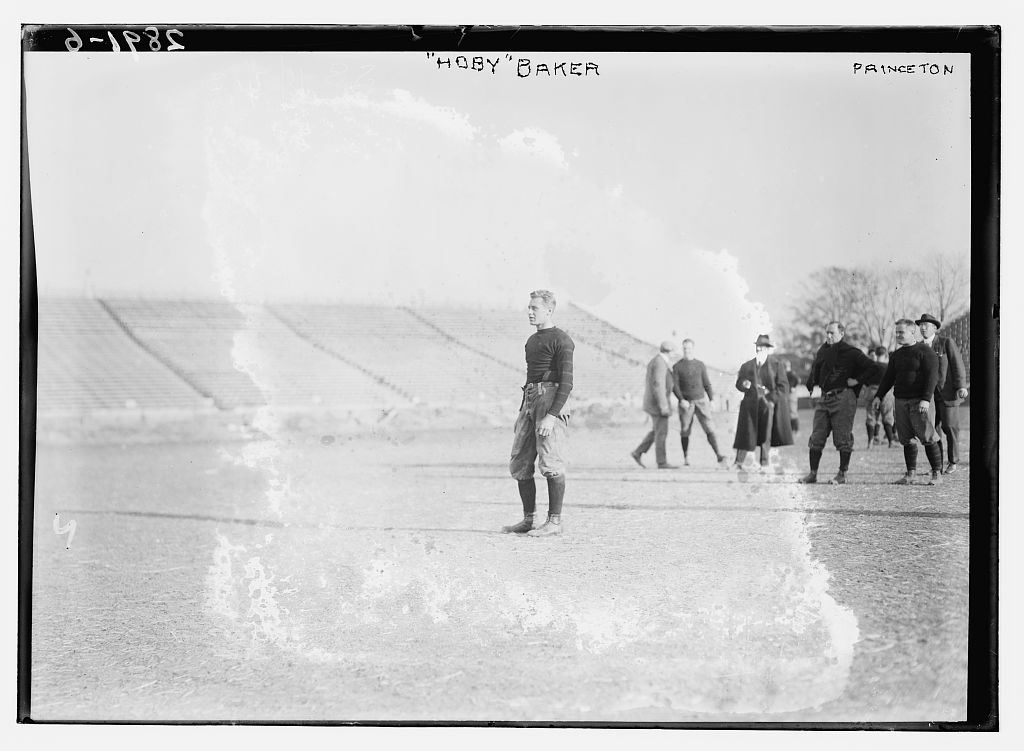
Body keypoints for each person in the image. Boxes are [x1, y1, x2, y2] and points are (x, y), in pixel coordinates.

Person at [503, 290, 575, 537]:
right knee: (520, 461)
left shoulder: (562, 340)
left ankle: (554, 522)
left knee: (551, 461)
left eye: (535, 308)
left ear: (549, 310)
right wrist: (525, 410)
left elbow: (566, 383)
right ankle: (528, 519)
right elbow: (530, 377)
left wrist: (552, 415)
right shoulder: (532, 341)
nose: (530, 311)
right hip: (530, 401)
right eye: (529, 307)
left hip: (551, 400)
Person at [798, 321, 875, 485]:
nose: (828, 336)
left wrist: (857, 380)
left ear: (841, 334)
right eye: (827, 333)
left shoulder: (851, 352)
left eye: (832, 333)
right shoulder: (823, 350)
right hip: (824, 398)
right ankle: (812, 474)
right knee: (816, 437)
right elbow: (816, 368)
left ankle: (842, 474)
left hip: (844, 398)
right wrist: (811, 383)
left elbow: (872, 367)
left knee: (842, 438)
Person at [874, 319, 944, 485]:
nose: (898, 335)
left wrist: (926, 399)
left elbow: (932, 377)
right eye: (896, 332)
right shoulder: (896, 355)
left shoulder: (925, 351)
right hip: (900, 401)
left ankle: (936, 474)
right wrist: (878, 396)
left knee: (928, 437)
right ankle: (910, 474)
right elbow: (888, 378)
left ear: (913, 332)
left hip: (920, 402)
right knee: (906, 439)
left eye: (901, 332)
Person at [916, 313, 969, 473]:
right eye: (921, 325)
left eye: (926, 325)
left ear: (934, 327)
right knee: (932, 430)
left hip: (948, 394)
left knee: (950, 427)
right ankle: (937, 465)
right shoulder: (918, 347)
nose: (923, 328)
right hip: (928, 397)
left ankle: (953, 461)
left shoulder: (946, 343)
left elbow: (957, 364)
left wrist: (961, 386)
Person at [732, 334, 792, 470]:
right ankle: (738, 463)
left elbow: (783, 387)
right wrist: (744, 384)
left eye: (762, 347)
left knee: (766, 434)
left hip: (767, 404)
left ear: (767, 349)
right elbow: (738, 383)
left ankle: (764, 463)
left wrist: (771, 400)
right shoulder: (747, 366)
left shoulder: (776, 365)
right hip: (749, 404)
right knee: (746, 433)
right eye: (758, 347)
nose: (759, 349)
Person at [671, 339, 729, 467]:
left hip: (701, 401)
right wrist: (681, 400)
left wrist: (712, 399)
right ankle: (686, 458)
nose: (687, 350)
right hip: (687, 403)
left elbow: (706, 383)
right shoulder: (677, 366)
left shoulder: (700, 365)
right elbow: (674, 386)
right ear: (683, 349)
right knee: (685, 430)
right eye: (685, 348)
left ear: (693, 349)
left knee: (709, 428)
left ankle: (719, 455)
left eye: (689, 348)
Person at [631, 340, 678, 469]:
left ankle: (638, 452)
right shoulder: (660, 363)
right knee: (661, 432)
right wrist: (663, 406)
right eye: (674, 351)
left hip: (654, 404)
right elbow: (658, 386)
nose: (675, 354)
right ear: (669, 351)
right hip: (657, 405)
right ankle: (661, 462)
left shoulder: (659, 361)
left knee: (657, 431)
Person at [859, 347, 887, 449]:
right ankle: (886, 439)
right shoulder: (885, 366)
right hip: (883, 391)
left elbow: (863, 379)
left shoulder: (869, 367)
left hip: (871, 390)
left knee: (871, 416)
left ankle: (871, 441)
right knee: (882, 415)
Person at [873, 346, 898, 447]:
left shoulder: (871, 365)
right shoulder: (887, 367)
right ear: (885, 355)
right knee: (888, 416)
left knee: (873, 417)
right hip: (887, 393)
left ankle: (872, 439)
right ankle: (891, 440)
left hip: (872, 391)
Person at [783, 359, 800, 433]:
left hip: (791, 395)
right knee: (789, 412)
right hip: (788, 394)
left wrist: (794, 387)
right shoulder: (785, 374)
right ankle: (792, 429)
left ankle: (796, 429)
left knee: (793, 412)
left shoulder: (791, 373)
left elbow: (798, 380)